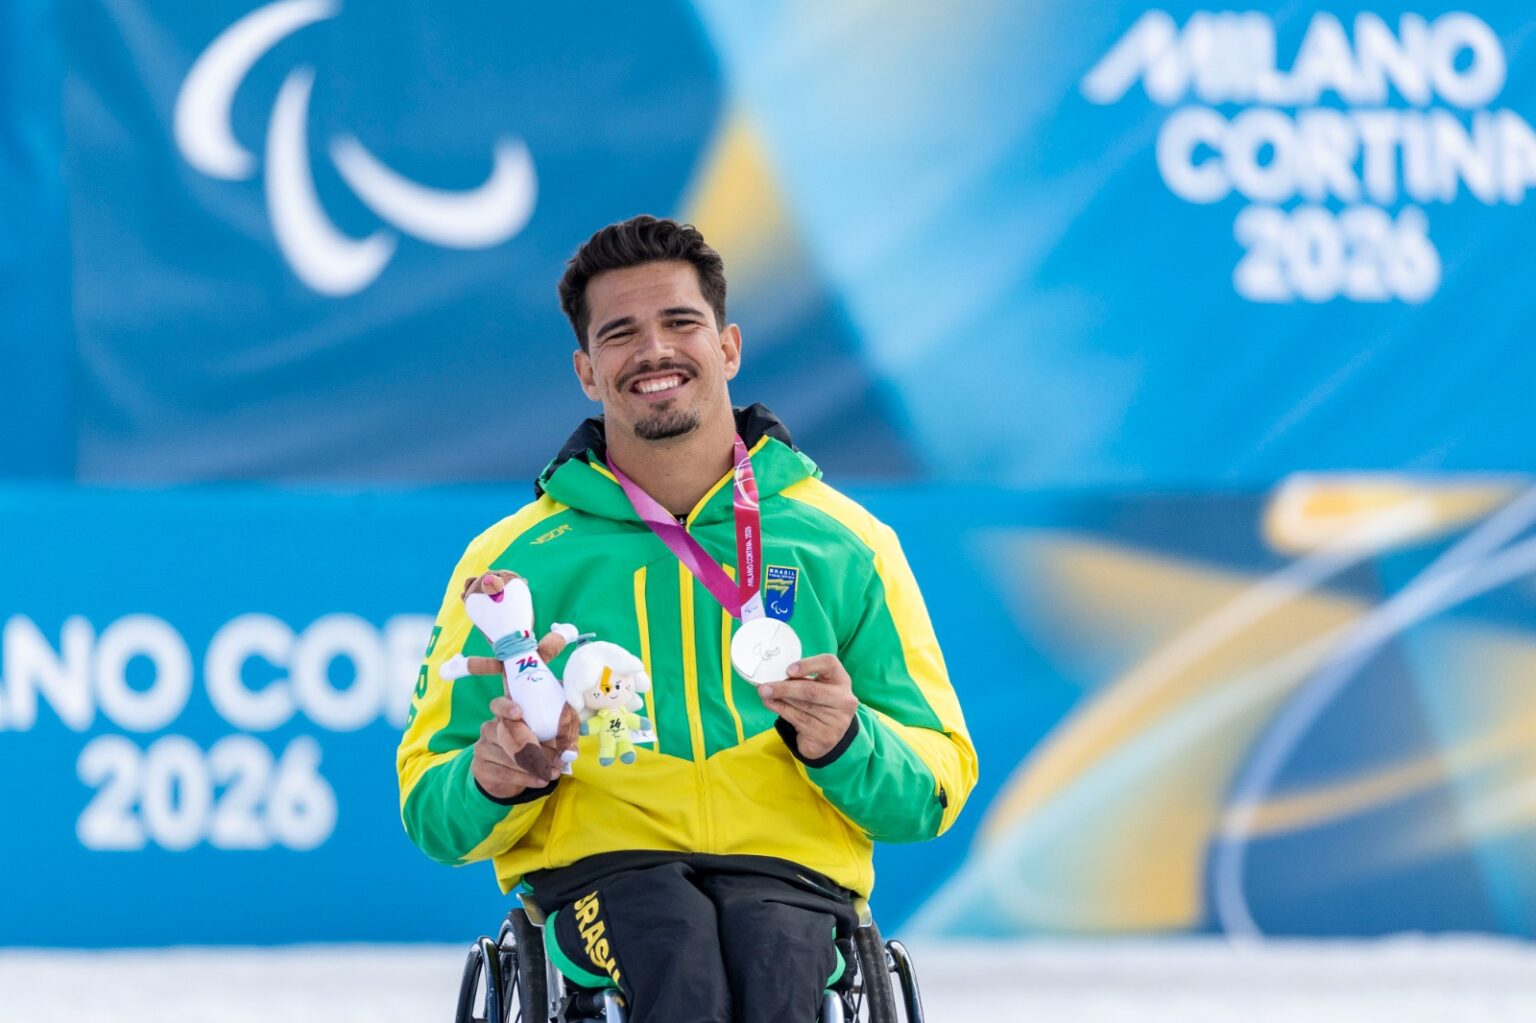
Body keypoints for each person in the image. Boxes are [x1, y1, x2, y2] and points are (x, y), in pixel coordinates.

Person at [396, 215, 976, 1023]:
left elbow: (935, 785)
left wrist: (846, 741)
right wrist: (494, 777)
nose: (654, 350)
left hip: (792, 877)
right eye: (620, 333)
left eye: (680, 322)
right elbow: (431, 805)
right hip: (603, 874)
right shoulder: (512, 564)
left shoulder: (847, 543)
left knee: (772, 962)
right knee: (676, 952)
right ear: (586, 370)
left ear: (728, 346)